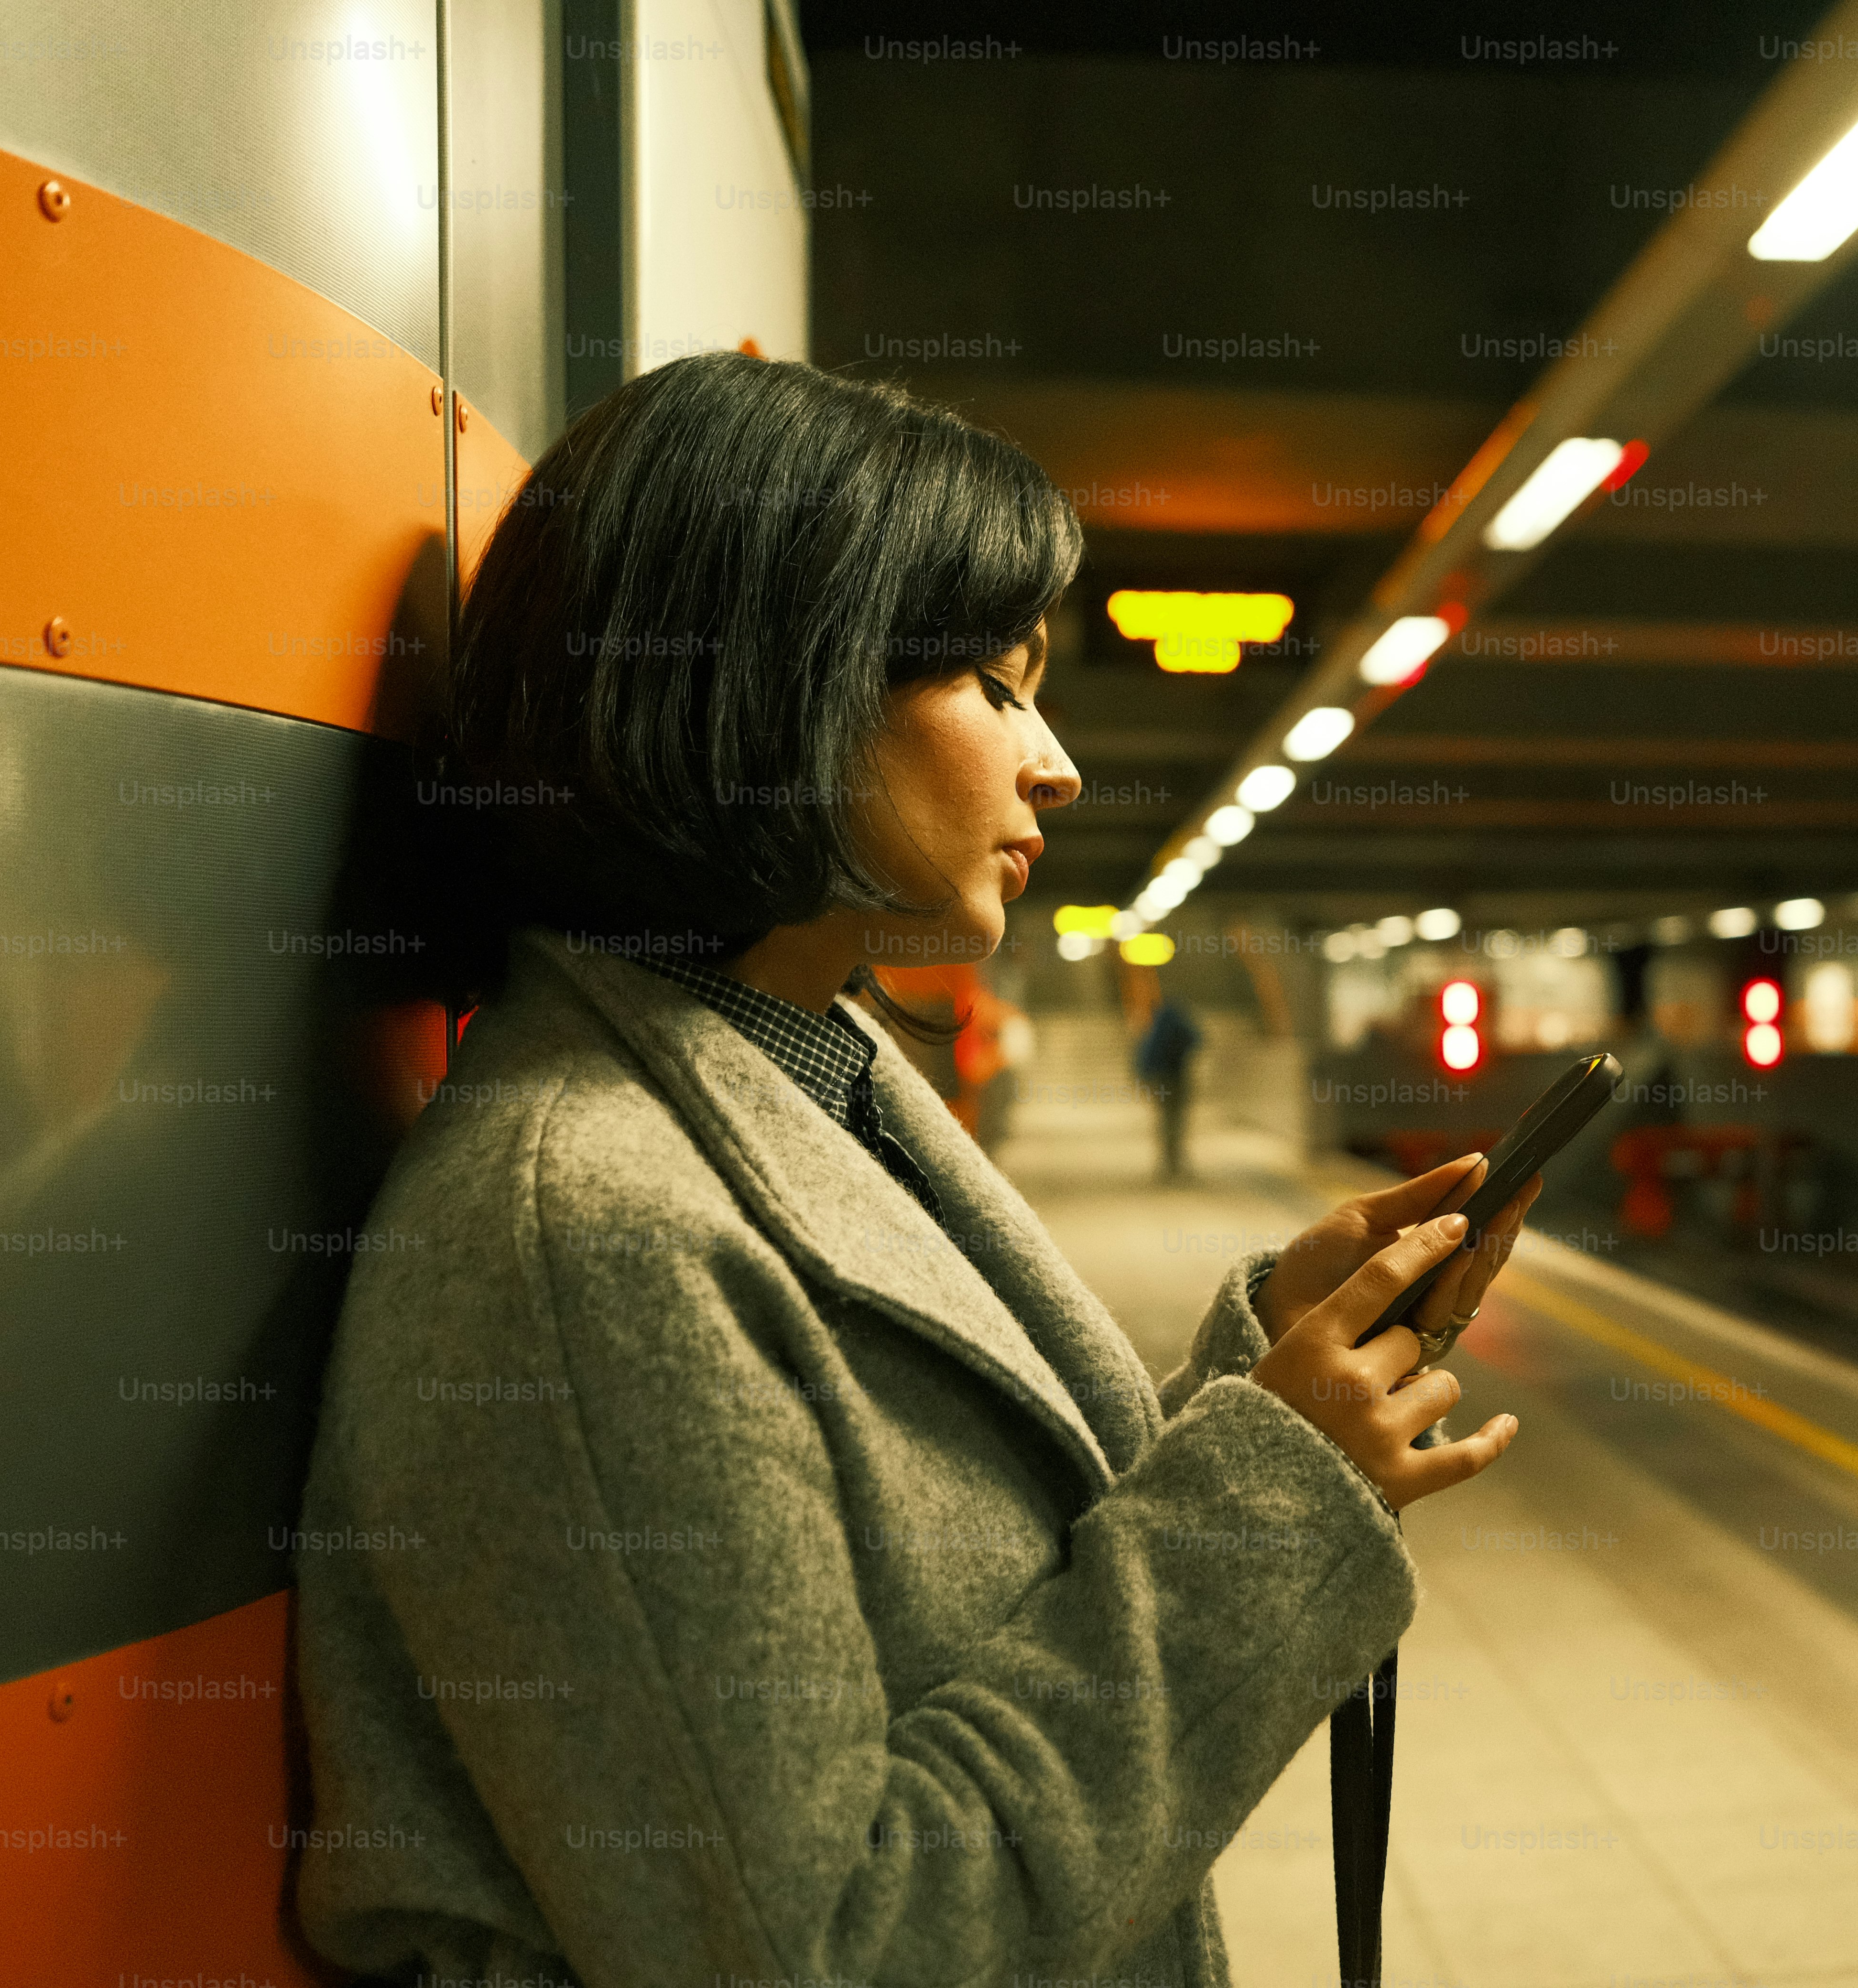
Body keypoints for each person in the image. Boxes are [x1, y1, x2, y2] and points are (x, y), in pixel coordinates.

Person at [289, 354, 1538, 1988]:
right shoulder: (588, 1235)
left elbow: (965, 1594)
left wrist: (1264, 1377)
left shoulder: (814, 1074)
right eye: (996, 685)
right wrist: (1278, 1498)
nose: (1059, 766)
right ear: (769, 683)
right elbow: (830, 1950)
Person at [1134, 989, 1202, 1182]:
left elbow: (1145, 1056)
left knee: (1166, 1119)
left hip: (1159, 1079)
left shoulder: (1157, 1024)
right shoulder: (1177, 1019)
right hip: (1175, 1077)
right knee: (1175, 1119)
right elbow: (1198, 1039)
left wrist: (1145, 1080)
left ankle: (1168, 1160)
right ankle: (1174, 1160)